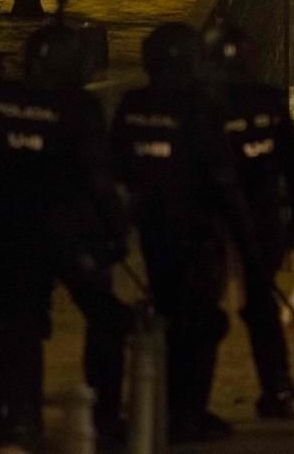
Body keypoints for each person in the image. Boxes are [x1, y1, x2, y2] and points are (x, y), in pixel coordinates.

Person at [0, 22, 128, 450]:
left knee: (20, 324)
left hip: (9, 230)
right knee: (106, 317)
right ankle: (106, 413)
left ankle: (21, 413)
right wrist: (115, 232)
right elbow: (98, 176)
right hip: (66, 231)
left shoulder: (0, 101)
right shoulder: (77, 108)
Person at [111, 23, 241, 442]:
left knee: (171, 317)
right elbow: (221, 176)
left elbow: (116, 164)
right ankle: (186, 413)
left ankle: (167, 408)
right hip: (195, 233)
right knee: (200, 324)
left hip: (151, 233)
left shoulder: (133, 106)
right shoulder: (199, 108)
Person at [202, 24, 294, 420]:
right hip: (258, 216)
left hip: (213, 218)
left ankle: (193, 402)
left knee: (204, 310)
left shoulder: (203, 103)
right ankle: (277, 387)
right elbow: (293, 168)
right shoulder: (268, 100)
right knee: (260, 306)